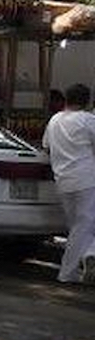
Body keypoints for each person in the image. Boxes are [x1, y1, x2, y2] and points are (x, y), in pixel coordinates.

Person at [42, 83, 95, 284]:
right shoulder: (89, 120)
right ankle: (75, 266)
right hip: (87, 178)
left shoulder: (54, 120)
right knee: (85, 225)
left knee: (78, 227)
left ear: (66, 99)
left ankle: (85, 258)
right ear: (87, 101)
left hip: (63, 180)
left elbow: (46, 146)